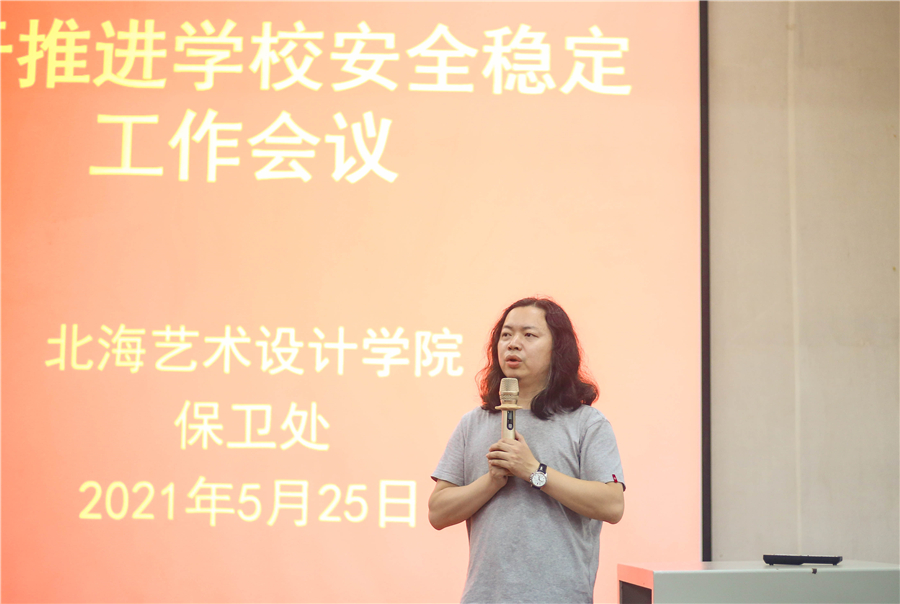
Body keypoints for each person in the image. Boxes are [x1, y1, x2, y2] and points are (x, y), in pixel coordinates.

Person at [429, 297, 625, 604]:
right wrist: (491, 482)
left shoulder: (586, 422)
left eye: (529, 335)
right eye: (506, 335)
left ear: (557, 348)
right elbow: (438, 512)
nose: (513, 344)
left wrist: (534, 472)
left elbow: (612, 505)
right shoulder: (473, 423)